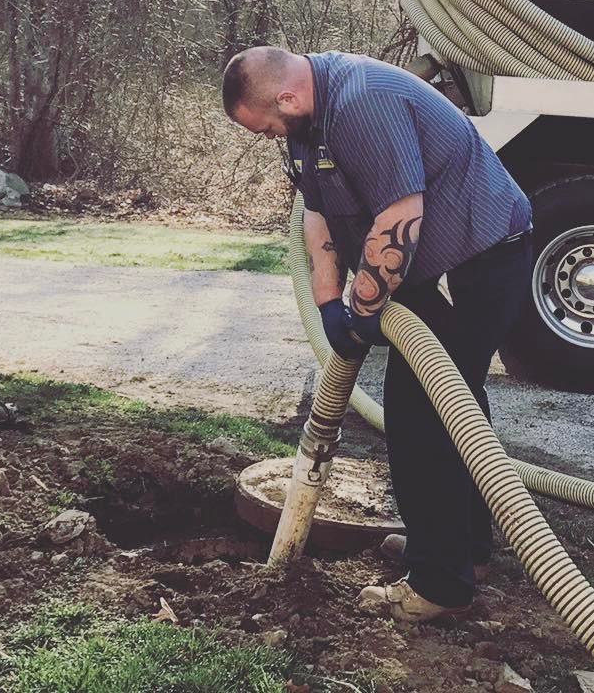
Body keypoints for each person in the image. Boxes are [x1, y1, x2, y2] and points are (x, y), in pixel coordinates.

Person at [221, 46, 533, 621]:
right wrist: (328, 304)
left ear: (285, 99)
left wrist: (365, 305)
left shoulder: (363, 102)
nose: (267, 137)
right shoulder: (306, 123)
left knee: (424, 415)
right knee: (451, 404)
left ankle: (439, 586)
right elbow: (315, 211)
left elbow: (399, 216)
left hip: (480, 260)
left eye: (265, 126)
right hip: (431, 268)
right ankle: (464, 552)